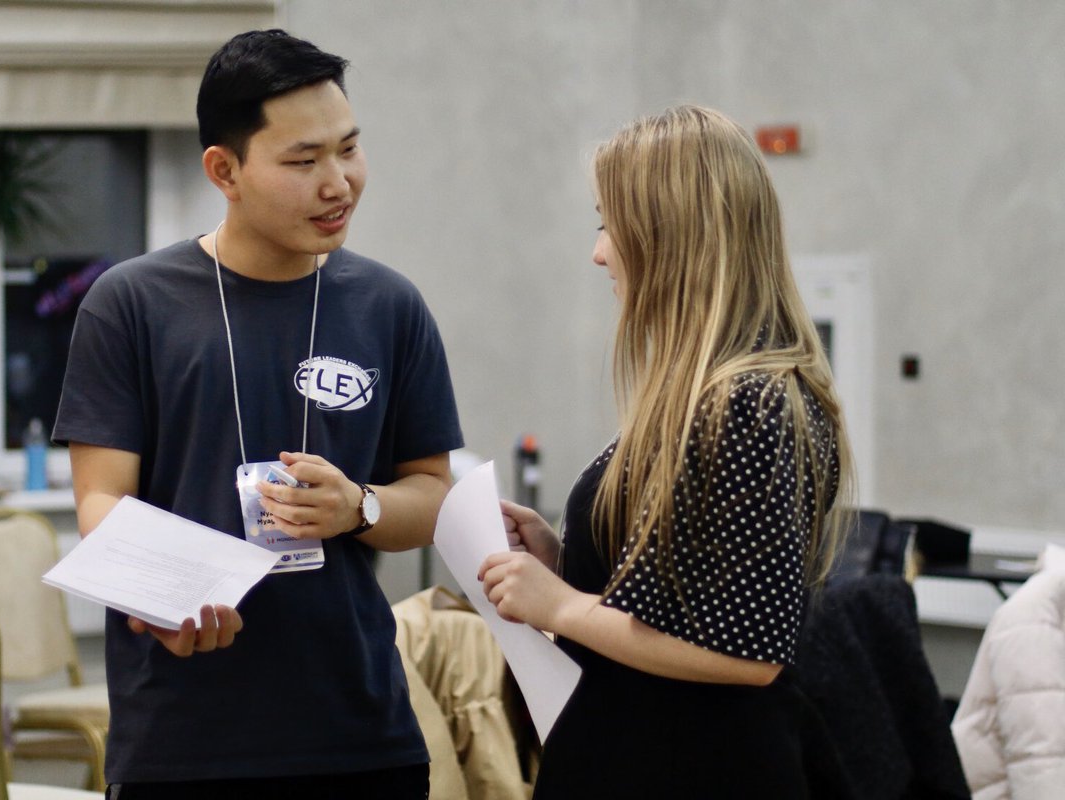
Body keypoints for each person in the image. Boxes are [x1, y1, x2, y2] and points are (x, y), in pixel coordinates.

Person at [54, 29, 462, 799]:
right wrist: (162, 599)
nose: (338, 183)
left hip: (359, 733)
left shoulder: (389, 305)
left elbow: (434, 494)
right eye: (304, 162)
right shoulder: (132, 303)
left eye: (349, 149)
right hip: (183, 735)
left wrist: (359, 506)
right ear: (224, 170)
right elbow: (101, 499)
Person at [478, 106, 855, 798]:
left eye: (608, 224)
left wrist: (560, 607)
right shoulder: (717, 393)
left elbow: (746, 652)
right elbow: (686, 599)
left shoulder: (746, 402)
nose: (599, 252)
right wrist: (569, 563)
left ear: (669, 234)